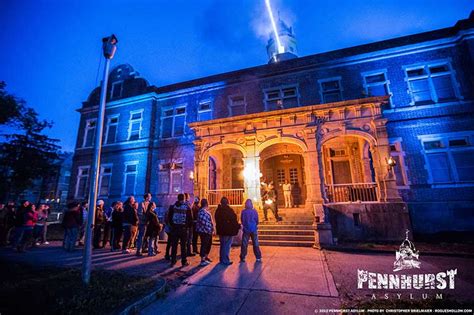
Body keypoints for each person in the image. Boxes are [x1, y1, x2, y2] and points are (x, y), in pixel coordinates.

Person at [168, 193, 193, 267]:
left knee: (174, 245)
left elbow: (169, 218)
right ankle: (184, 261)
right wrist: (187, 226)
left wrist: (172, 225)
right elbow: (190, 219)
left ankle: (173, 261)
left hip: (175, 228)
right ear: (184, 199)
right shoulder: (187, 207)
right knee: (183, 246)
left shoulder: (173, 207)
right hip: (183, 229)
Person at [215, 197, 240, 265]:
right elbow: (234, 219)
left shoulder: (218, 210)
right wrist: (238, 226)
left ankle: (222, 259)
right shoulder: (229, 210)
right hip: (228, 231)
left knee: (222, 245)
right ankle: (225, 260)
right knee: (227, 246)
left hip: (221, 231)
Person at [195, 198, 214, 266]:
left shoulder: (204, 211)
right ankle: (202, 259)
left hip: (206, 231)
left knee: (208, 244)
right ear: (206, 204)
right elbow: (205, 222)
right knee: (204, 244)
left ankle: (205, 257)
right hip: (205, 231)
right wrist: (210, 229)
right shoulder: (202, 212)